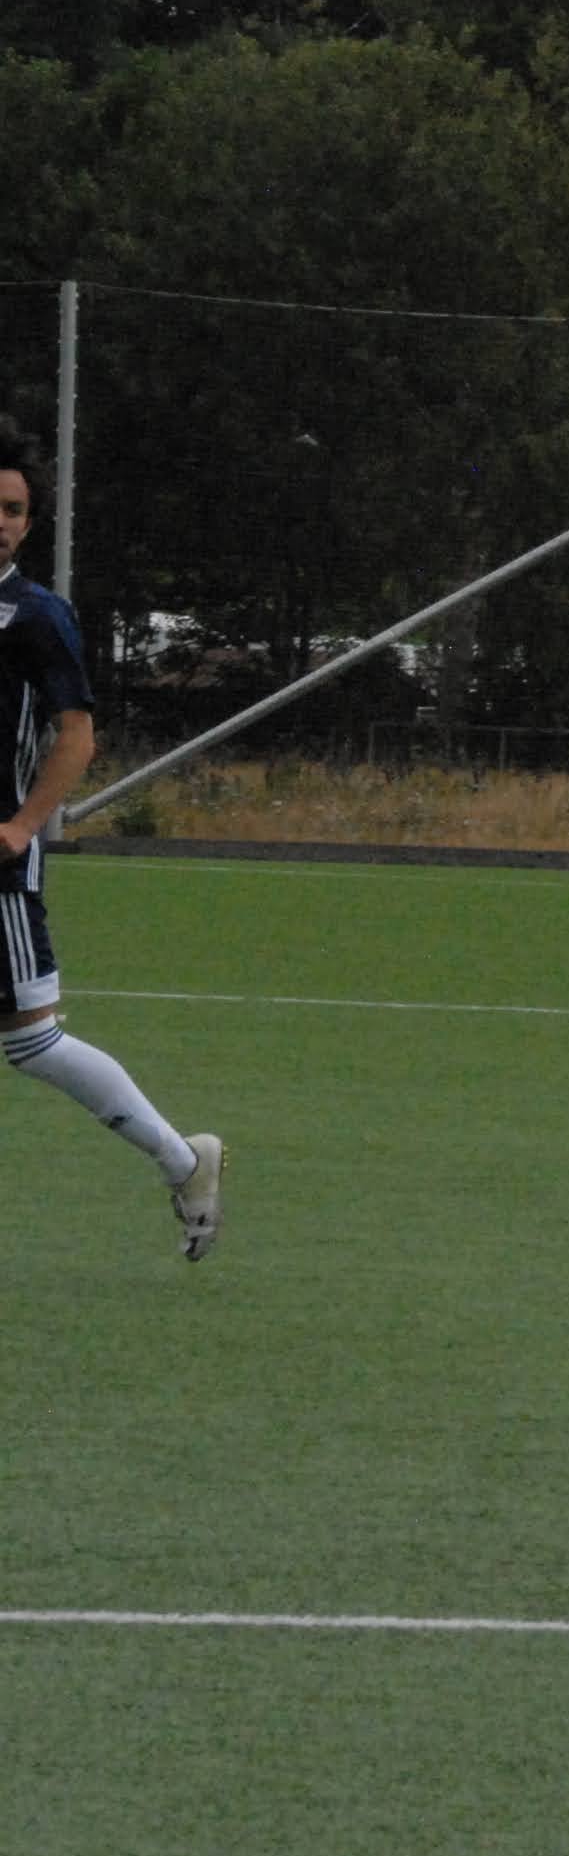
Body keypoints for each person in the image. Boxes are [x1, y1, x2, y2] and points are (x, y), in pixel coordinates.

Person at [0, 433, 222, 1258]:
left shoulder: (36, 616)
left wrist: (22, 827)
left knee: (33, 1041)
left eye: (13, 510)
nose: (0, 522)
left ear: (29, 524)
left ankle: (183, 1161)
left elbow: (77, 736)